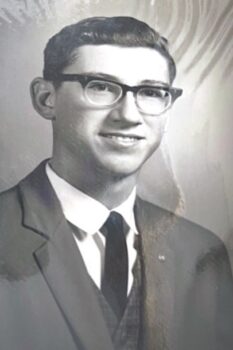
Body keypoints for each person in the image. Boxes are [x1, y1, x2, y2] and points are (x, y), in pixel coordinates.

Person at [0, 16, 232, 350]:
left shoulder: (201, 253)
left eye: (151, 92)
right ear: (46, 98)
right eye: (101, 86)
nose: (128, 115)